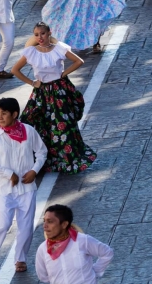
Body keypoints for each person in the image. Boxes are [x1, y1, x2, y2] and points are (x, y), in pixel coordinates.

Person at [11, 21, 96, 174]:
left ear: (49, 32)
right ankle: (37, 159)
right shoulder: (31, 52)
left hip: (59, 91)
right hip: (41, 92)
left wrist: (63, 74)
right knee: (36, 123)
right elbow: (15, 70)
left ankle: (67, 158)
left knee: (63, 124)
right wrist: (32, 82)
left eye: (42, 33)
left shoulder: (59, 49)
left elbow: (79, 61)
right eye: (36, 35)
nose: (40, 37)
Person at [0, 98, 47, 272]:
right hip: (4, 189)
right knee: (3, 223)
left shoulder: (29, 132)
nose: (0, 117)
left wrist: (34, 170)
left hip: (26, 188)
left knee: (26, 226)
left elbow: (42, 152)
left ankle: (20, 259)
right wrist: (8, 174)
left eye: (4, 113)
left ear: (15, 114)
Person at [35, 204, 114, 284]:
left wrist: (95, 272)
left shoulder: (82, 241)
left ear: (64, 224)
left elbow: (106, 253)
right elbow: (43, 276)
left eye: (50, 222)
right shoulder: (42, 250)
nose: (45, 226)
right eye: (44, 221)